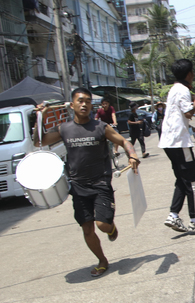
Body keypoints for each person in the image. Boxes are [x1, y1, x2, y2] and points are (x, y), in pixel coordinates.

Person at [34, 88, 140, 277]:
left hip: (100, 183)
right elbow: (38, 141)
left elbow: (124, 141)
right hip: (78, 185)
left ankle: (111, 227)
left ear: (92, 105)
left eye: (88, 101)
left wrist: (132, 154)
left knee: (102, 225)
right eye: (80, 101)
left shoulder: (100, 127)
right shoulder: (64, 129)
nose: (84, 104)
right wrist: (39, 119)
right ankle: (102, 260)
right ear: (72, 104)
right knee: (87, 229)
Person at [158, 59, 195, 234]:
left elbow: (177, 118)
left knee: (182, 180)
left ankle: (173, 215)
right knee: (192, 181)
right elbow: (189, 112)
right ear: (189, 74)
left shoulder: (173, 89)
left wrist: (192, 129)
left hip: (170, 141)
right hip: (179, 143)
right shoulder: (183, 90)